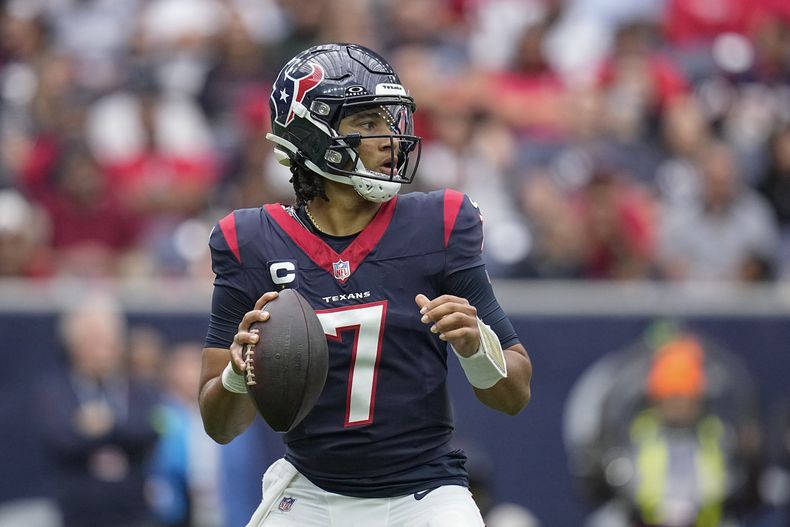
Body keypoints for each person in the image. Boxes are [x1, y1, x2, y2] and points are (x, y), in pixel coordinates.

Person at [198, 42, 533, 527]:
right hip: (309, 493)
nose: (389, 141)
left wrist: (476, 346)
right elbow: (220, 426)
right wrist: (237, 375)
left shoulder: (438, 223)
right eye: (367, 124)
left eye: (389, 122)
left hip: (426, 495)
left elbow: (515, 394)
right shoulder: (249, 241)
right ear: (311, 134)